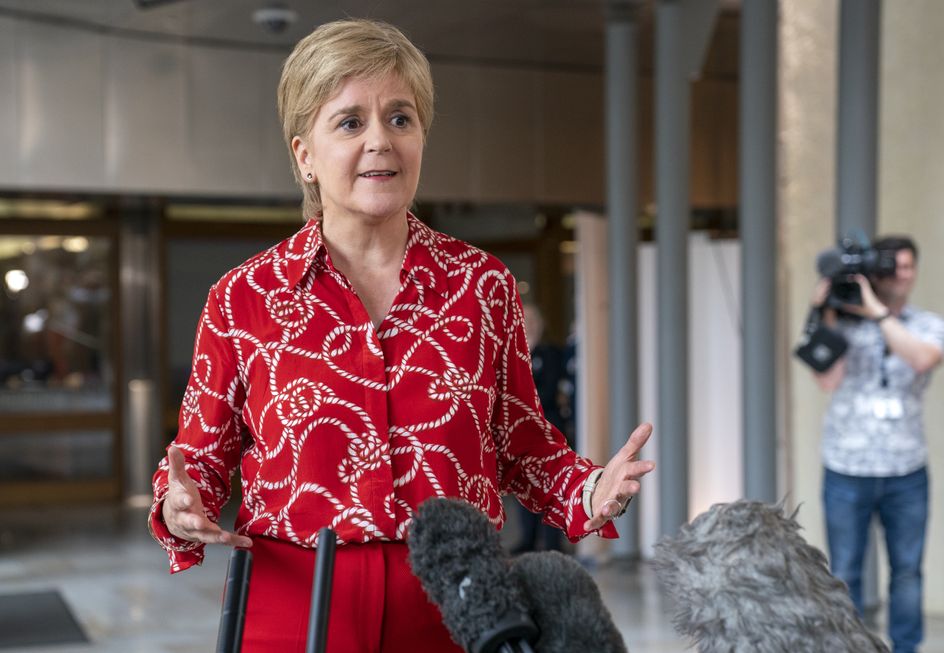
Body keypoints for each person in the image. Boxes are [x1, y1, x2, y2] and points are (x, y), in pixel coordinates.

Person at [148, 18, 655, 653]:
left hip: (456, 603)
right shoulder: (242, 297)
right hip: (294, 607)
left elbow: (521, 440)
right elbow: (198, 460)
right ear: (305, 155)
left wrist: (588, 491)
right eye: (350, 122)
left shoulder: (482, 285)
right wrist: (180, 505)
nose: (380, 141)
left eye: (400, 118)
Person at [810, 235, 944, 653]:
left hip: (906, 471)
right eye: (894, 267)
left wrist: (876, 312)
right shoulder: (842, 322)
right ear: (877, 273)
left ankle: (907, 648)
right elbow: (826, 380)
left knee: (907, 573)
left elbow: (922, 358)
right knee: (846, 572)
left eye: (909, 267)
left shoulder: (928, 324)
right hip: (846, 469)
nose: (902, 275)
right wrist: (824, 311)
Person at [511, 303, 569, 554]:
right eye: (525, 319)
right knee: (524, 482)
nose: (529, 323)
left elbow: (549, 390)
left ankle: (553, 542)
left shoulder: (551, 353)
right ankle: (529, 538)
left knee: (552, 483)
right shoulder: (511, 353)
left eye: (533, 319)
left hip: (548, 425)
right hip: (522, 429)